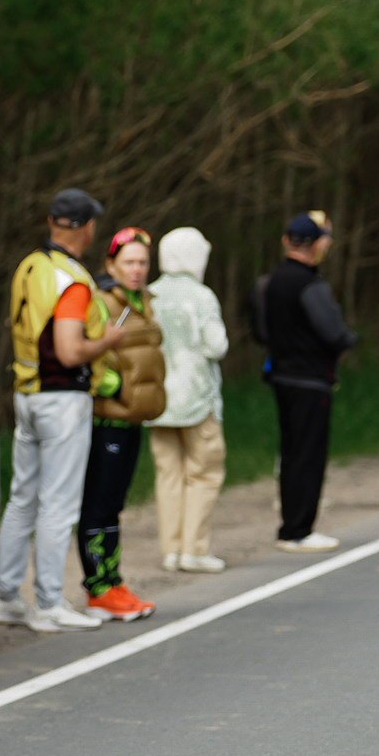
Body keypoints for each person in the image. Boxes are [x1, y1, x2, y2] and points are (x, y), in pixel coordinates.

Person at [0, 188, 125, 634]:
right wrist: (106, 342)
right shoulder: (73, 278)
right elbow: (69, 351)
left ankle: (6, 597)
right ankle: (49, 602)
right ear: (86, 228)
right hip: (63, 397)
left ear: (51, 222)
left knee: (23, 498)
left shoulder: (30, 265)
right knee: (59, 503)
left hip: (26, 394)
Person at [254, 212, 356, 553]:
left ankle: (290, 525)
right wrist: (344, 344)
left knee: (291, 452)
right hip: (310, 379)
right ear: (315, 245)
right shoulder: (312, 285)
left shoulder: (267, 283)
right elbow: (334, 333)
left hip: (280, 375)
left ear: (286, 241)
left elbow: (261, 331)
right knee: (309, 455)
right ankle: (299, 529)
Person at [78, 227, 165, 620]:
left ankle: (114, 581)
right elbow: (88, 351)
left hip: (133, 419)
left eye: (143, 262)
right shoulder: (100, 299)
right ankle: (97, 588)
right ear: (111, 263)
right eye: (128, 262)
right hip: (107, 420)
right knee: (99, 504)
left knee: (115, 505)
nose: (137, 269)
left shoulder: (144, 299)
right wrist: (112, 387)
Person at [147, 227, 229, 575]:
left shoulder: (149, 293)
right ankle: (194, 549)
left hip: (158, 401)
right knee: (204, 473)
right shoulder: (201, 295)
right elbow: (217, 345)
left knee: (168, 476)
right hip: (197, 398)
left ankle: (170, 550)